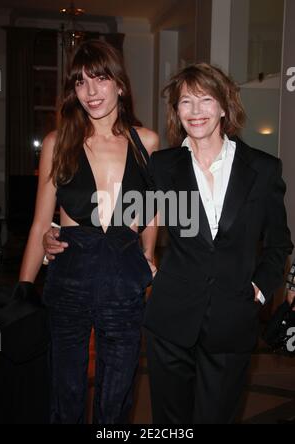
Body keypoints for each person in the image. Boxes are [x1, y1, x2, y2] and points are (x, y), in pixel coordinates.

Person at [143, 63, 293, 424]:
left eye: (205, 100)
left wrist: (258, 291)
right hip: (170, 321)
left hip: (233, 320)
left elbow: (279, 244)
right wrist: (62, 230)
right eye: (185, 102)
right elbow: (128, 218)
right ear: (176, 111)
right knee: (171, 423)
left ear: (224, 106)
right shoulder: (162, 166)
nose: (195, 112)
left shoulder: (263, 168)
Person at [19, 39, 159, 424]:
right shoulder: (57, 142)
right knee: (65, 389)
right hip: (69, 280)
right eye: (80, 82)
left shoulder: (146, 142)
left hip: (123, 281)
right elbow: (39, 223)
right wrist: (24, 289)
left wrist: (149, 256)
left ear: (120, 84)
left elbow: (150, 211)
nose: (91, 91)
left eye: (100, 79)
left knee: (117, 394)